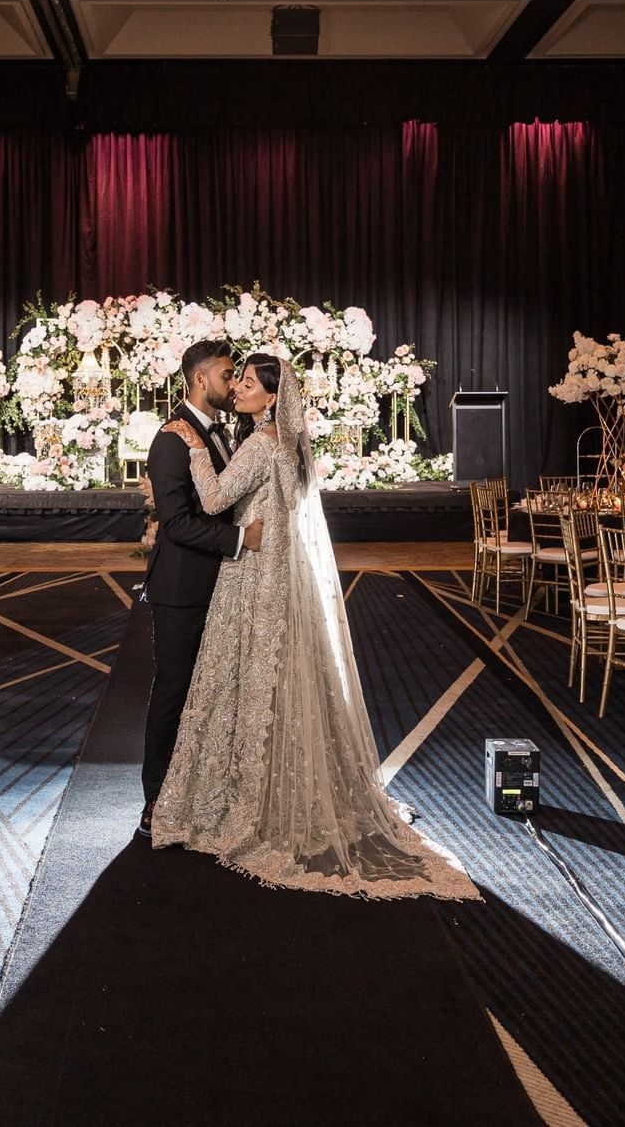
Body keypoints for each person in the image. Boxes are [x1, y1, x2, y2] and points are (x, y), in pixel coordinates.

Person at [149, 353, 478, 900]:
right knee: (272, 681)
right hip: (274, 578)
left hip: (254, 576)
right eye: (235, 378)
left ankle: (244, 797)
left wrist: (193, 450)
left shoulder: (254, 443)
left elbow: (210, 499)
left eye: (247, 382)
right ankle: (276, 788)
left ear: (273, 397)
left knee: (248, 681)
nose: (238, 389)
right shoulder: (287, 447)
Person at [137, 340, 264, 840]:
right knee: (173, 690)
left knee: (210, 693)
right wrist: (240, 539)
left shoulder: (224, 432)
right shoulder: (172, 438)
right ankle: (155, 800)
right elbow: (175, 522)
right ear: (199, 379)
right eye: (228, 375)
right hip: (182, 588)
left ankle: (201, 791)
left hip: (222, 584)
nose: (234, 384)